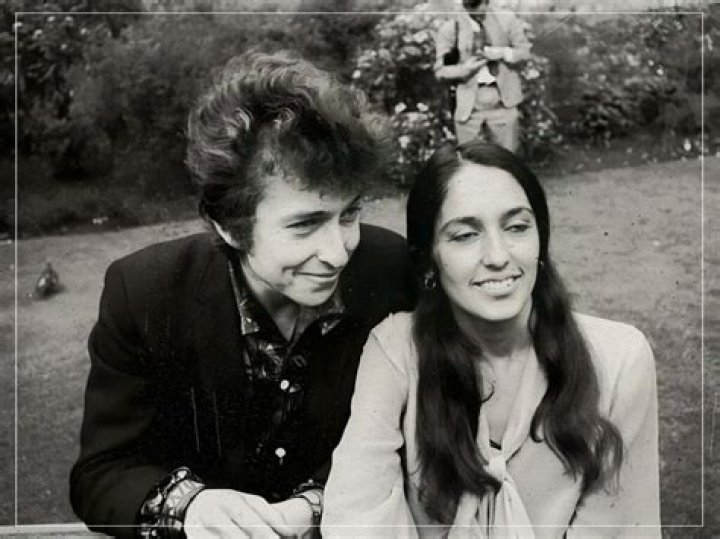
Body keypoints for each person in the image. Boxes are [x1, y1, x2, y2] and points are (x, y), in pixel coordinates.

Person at [69, 50, 415, 538]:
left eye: (350, 214)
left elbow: (422, 441)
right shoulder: (145, 293)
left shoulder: (391, 272)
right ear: (229, 226)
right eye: (305, 224)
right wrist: (193, 506)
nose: (339, 252)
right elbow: (101, 473)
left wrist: (318, 505)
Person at [322, 142, 661, 537]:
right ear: (429, 260)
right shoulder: (397, 349)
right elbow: (358, 515)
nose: (498, 256)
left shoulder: (619, 360)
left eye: (517, 227)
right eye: (465, 235)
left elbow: (616, 528)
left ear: (541, 240)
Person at [435, 0, 532, 152]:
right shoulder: (451, 28)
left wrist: (503, 53)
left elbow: (525, 52)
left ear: (487, 2)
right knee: (471, 159)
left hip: (502, 102)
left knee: (507, 159)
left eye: (477, 4)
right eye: (468, 5)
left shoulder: (506, 20)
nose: (472, 10)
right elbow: (440, 71)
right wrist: (464, 69)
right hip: (469, 106)